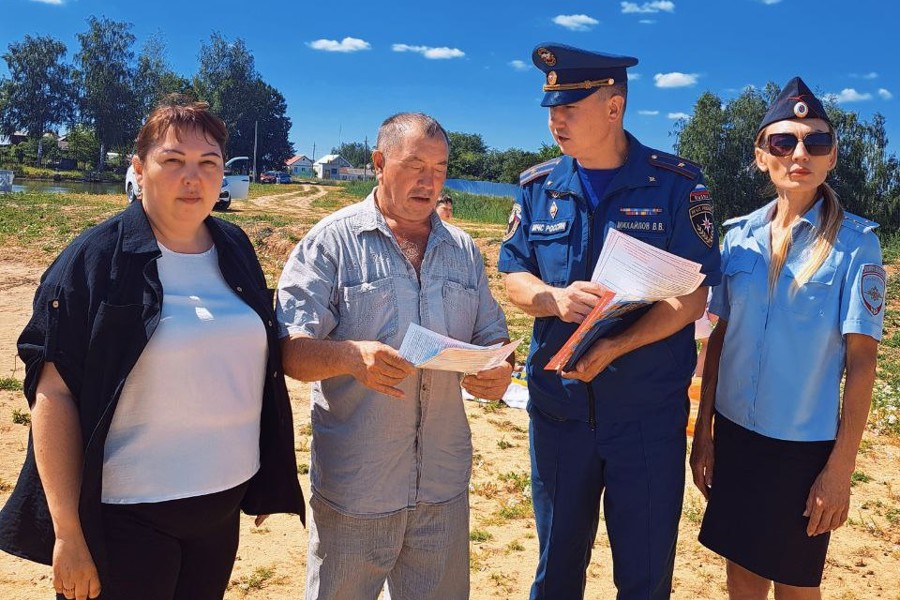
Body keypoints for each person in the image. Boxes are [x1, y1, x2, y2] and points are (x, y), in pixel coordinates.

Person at [0, 98, 305, 600]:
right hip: (127, 516)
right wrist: (67, 534)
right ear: (139, 170)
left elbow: (251, 368)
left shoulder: (235, 248)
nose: (193, 178)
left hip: (220, 507)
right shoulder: (94, 260)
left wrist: (264, 472)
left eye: (208, 164)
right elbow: (53, 396)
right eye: (173, 161)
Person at [499, 43, 721, 599]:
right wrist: (550, 298)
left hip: (645, 419)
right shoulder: (538, 187)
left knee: (645, 580)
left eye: (570, 106)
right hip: (559, 416)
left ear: (614, 107)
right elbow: (512, 275)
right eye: (552, 108)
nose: (556, 120)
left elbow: (693, 298)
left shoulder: (676, 187)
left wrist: (617, 347)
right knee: (556, 572)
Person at [276, 112, 512, 600]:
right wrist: (347, 356)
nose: (430, 182)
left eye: (441, 169)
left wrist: (499, 370)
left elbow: (491, 334)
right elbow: (289, 352)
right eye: (415, 166)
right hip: (358, 486)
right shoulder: (332, 243)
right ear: (379, 164)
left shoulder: (463, 251)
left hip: (441, 487)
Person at [690, 77, 884, 599]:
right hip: (735, 435)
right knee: (742, 574)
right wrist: (704, 432)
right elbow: (719, 340)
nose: (800, 153)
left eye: (815, 142)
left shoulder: (855, 246)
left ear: (831, 158)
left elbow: (862, 364)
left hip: (803, 449)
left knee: (796, 586)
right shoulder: (737, 239)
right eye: (784, 141)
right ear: (761, 155)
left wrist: (840, 469)